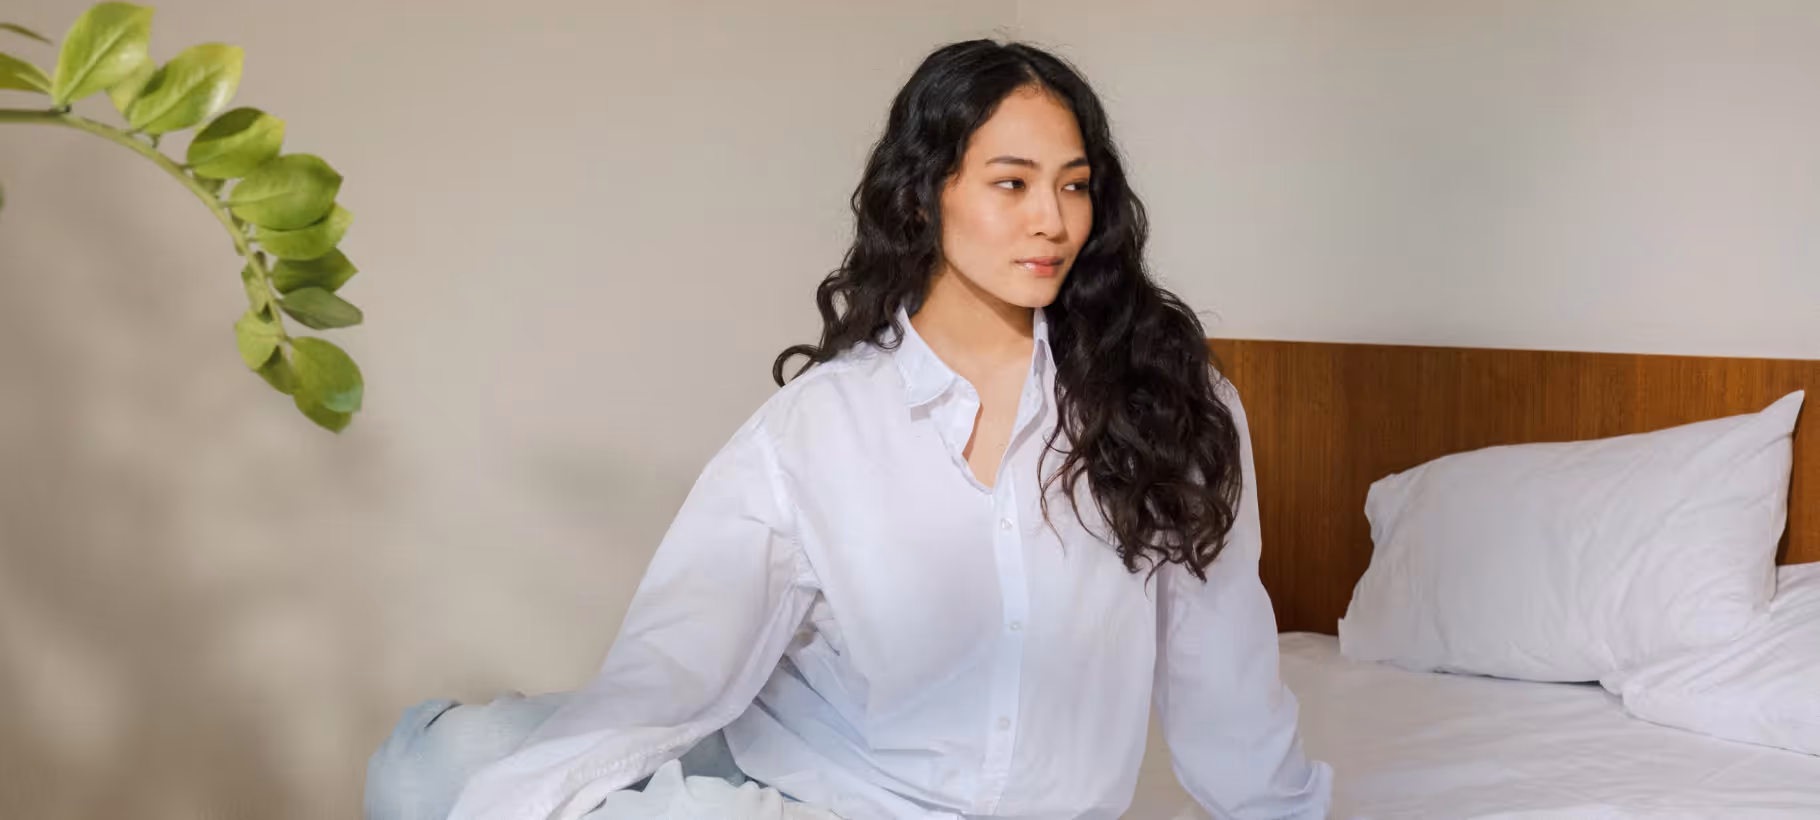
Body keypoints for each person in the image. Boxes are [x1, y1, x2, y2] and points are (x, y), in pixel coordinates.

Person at [366, 38, 1334, 820]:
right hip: (805, 765)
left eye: (1073, 185)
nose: (1052, 219)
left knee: (458, 779)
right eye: (1010, 183)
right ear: (925, 194)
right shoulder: (818, 424)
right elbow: (677, 661)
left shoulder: (1167, 400)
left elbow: (1223, 663)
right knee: (429, 761)